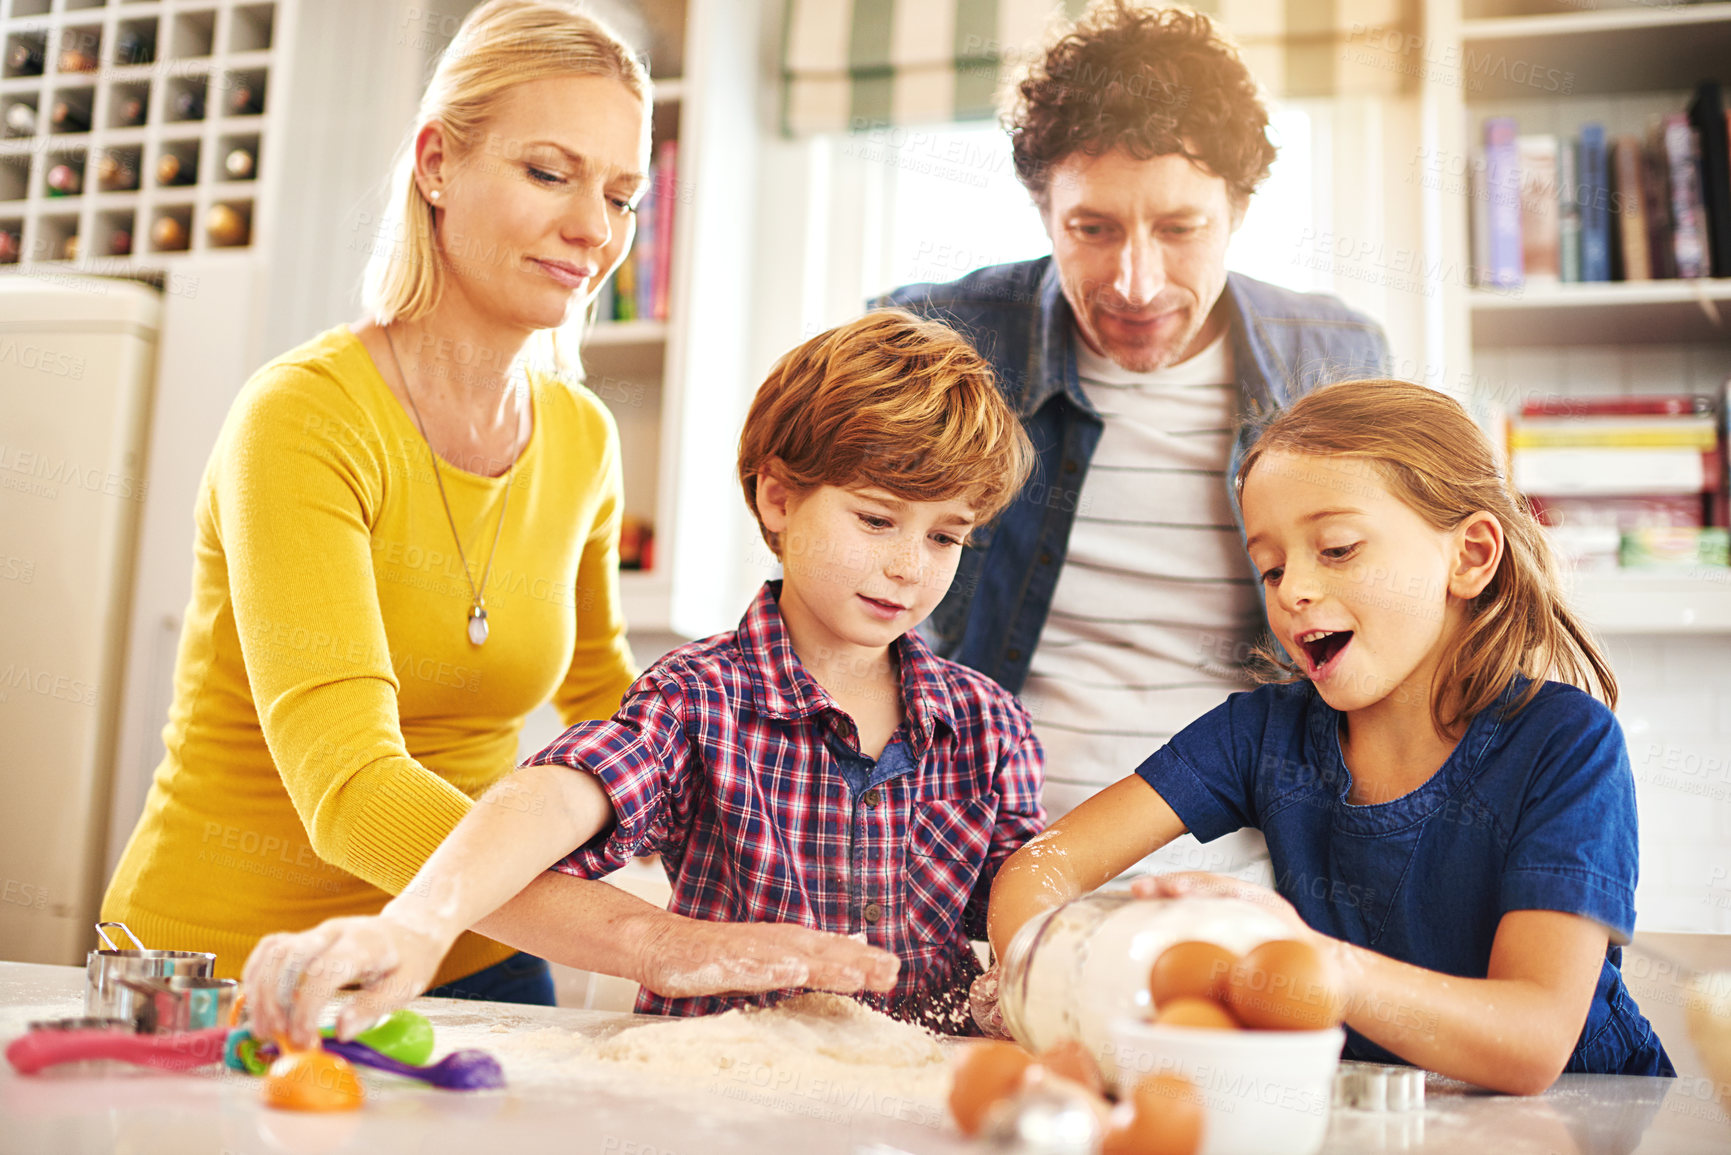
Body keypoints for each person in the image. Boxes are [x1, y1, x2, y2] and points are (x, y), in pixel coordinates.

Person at [102, 0, 888, 1009]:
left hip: (477, 953)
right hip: (233, 962)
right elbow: (350, 794)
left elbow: (611, 702)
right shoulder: (303, 420)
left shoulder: (581, 437)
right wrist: (653, 939)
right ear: (436, 163)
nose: (592, 230)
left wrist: (763, 854)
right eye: (549, 173)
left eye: (623, 195)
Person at [241, 309, 1046, 1045]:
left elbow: (1024, 913)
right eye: (875, 518)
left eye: (946, 538)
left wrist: (1046, 961)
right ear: (777, 497)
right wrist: (419, 922)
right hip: (715, 1103)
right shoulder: (697, 696)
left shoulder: (986, 724)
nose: (908, 566)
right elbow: (561, 790)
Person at [987, 379, 1673, 1091]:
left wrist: (1307, 961)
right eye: (1271, 566)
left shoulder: (1563, 743)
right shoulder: (1261, 733)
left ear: (1468, 556)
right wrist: (1044, 978)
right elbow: (1043, 865)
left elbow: (1530, 1042)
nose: (1291, 590)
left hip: (1589, 1116)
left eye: (1337, 549)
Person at [879, 2, 1391, 872]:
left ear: (1238, 210)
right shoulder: (934, 339)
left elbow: (1395, 640)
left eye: (1180, 230)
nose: (1135, 281)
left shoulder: (1338, 361)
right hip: (973, 859)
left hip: (1252, 873)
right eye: (1092, 228)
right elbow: (840, 613)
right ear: (1044, 211)